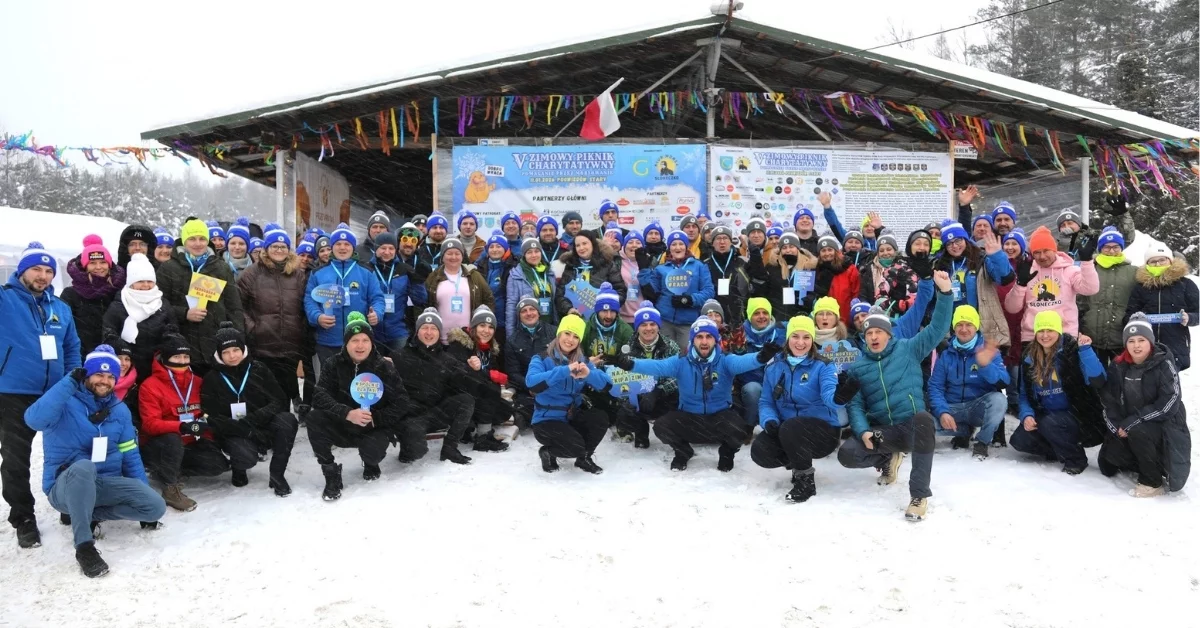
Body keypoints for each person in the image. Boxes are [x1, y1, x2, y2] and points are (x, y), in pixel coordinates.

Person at [24, 347, 166, 577]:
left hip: (104, 484)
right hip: (65, 485)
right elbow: (33, 420)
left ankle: (89, 512)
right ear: (86, 375)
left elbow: (130, 453)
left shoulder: (119, 410)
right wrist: (69, 381)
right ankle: (84, 547)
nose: (105, 381)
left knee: (155, 507)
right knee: (83, 467)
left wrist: (141, 491)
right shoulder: (64, 402)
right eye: (99, 374)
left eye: (111, 376)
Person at [836, 270, 954, 522]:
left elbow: (937, 328)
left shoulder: (909, 349)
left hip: (911, 427)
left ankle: (919, 495)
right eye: (869, 333)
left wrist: (944, 294)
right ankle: (888, 458)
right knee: (848, 454)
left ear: (889, 334)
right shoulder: (858, 367)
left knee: (923, 420)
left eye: (878, 332)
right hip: (884, 432)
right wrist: (863, 431)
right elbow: (855, 406)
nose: (874, 336)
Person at [613, 316, 777, 472]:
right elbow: (656, 366)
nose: (704, 341)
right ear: (693, 340)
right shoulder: (681, 362)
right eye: (699, 337)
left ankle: (726, 453)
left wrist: (761, 356)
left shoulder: (725, 360)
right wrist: (629, 364)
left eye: (708, 336)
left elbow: (745, 361)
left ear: (715, 339)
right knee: (662, 426)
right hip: (690, 418)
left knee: (739, 428)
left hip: (719, 418)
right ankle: (683, 451)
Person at [0, 242, 82, 549]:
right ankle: (23, 517)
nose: (43, 275)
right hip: (13, 392)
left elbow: (71, 347)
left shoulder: (60, 307)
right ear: (22, 270)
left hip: (55, 392)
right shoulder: (5, 299)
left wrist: (72, 380)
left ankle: (66, 502)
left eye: (49, 270)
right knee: (16, 458)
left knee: (65, 452)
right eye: (36, 268)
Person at [753, 315, 856, 502]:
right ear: (788, 338)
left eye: (806, 337)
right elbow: (766, 401)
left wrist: (841, 396)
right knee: (760, 450)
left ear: (812, 340)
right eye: (795, 336)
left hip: (822, 432)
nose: (800, 342)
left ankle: (805, 481)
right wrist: (769, 421)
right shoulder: (774, 365)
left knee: (792, 426)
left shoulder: (823, 365)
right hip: (789, 432)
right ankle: (796, 460)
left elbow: (829, 397)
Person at [307, 312, 408, 501]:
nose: (360, 346)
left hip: (373, 427)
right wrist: (346, 413)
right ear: (346, 343)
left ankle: (370, 462)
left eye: (365, 340)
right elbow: (319, 396)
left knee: (373, 452)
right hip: (343, 424)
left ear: (372, 343)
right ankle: (330, 472)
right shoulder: (333, 363)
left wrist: (376, 419)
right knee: (314, 418)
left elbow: (402, 402)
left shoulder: (383, 366)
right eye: (354, 340)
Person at [200, 323, 299, 496]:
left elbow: (278, 400)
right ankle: (239, 468)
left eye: (235, 350)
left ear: (243, 349)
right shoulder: (212, 378)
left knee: (287, 420)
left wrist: (254, 419)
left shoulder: (259, 369)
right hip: (234, 432)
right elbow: (211, 416)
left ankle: (277, 474)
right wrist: (239, 428)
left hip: (260, 424)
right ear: (218, 354)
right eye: (226, 352)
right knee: (245, 456)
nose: (232, 356)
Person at [1098, 313, 1190, 497]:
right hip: (1129, 423)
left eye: (1141, 340)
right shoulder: (1118, 366)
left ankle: (1152, 481)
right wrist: (1117, 428)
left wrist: (1133, 422)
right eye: (1131, 341)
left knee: (1140, 432)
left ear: (1150, 341)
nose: (1136, 345)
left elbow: (1169, 403)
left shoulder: (1164, 363)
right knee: (1107, 464)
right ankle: (1140, 460)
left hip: (1162, 424)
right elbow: (1109, 401)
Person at [138, 334, 229, 512]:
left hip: (191, 441)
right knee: (172, 439)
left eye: (186, 357)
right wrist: (179, 426)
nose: (182, 361)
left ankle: (173, 468)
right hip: (162, 443)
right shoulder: (150, 386)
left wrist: (206, 427)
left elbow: (206, 411)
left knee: (218, 465)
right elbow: (149, 424)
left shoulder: (198, 382)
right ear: (165, 359)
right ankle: (170, 487)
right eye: (176, 357)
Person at [1011, 310, 1106, 475]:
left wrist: (1086, 351)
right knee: (1020, 440)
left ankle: (1076, 459)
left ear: (1058, 331)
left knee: (1050, 423)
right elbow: (1024, 394)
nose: (1045, 335)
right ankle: (1059, 448)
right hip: (1046, 414)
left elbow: (1098, 379)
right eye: (1041, 330)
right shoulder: (1029, 358)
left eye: (1050, 330)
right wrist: (1026, 415)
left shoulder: (1072, 350)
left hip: (1078, 416)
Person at [237, 224, 313, 414]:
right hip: (262, 345)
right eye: (274, 246)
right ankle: (267, 430)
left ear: (288, 250)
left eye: (283, 247)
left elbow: (306, 305)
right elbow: (238, 305)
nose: (279, 250)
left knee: (286, 391)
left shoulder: (298, 275)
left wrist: (300, 328)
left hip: (290, 345)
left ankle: (284, 432)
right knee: (265, 392)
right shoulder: (251, 273)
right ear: (266, 249)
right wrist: (253, 327)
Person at [526, 314, 613, 474]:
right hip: (546, 421)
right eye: (567, 333)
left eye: (575, 336)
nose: (570, 340)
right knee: (575, 447)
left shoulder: (582, 361)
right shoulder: (541, 358)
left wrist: (589, 374)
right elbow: (532, 383)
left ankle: (584, 458)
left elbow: (607, 385)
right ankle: (548, 452)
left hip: (572, 416)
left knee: (600, 418)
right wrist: (565, 370)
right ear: (559, 334)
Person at [155, 218, 245, 374]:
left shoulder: (221, 267)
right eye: (192, 239)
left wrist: (237, 338)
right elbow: (159, 304)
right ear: (184, 241)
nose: (198, 243)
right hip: (183, 344)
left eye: (202, 238)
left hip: (216, 343)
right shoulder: (168, 269)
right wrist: (184, 313)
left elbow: (234, 306)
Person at [393, 308, 475, 464]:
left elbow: (463, 383)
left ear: (439, 333)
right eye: (424, 327)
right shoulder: (399, 356)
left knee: (466, 400)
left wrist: (471, 370)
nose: (429, 332)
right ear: (417, 331)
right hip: (412, 417)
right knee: (415, 453)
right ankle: (407, 447)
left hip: (436, 413)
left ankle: (450, 448)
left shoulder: (447, 359)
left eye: (433, 328)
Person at [927, 305, 1009, 459]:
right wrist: (942, 412)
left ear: (976, 326)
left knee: (999, 400)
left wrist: (985, 365)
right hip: (953, 409)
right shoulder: (946, 354)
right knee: (924, 424)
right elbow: (935, 387)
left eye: (969, 324)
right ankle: (963, 431)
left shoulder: (988, 350)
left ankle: (982, 442)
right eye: (959, 324)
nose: (964, 329)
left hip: (977, 408)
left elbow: (1004, 381)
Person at [1004, 226, 1099, 346]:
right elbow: (1012, 308)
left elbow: (1091, 289)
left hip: (1064, 335)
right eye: (1037, 252)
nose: (1042, 256)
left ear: (1054, 250)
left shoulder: (1069, 270)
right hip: (1032, 336)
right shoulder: (1027, 271)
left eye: (1046, 251)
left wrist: (1087, 261)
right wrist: (1020, 284)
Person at [304, 222, 385, 363]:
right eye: (338, 244)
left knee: (356, 381)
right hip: (328, 340)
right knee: (329, 383)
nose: (342, 248)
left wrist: (377, 313)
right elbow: (309, 300)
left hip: (358, 340)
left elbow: (377, 298)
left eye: (347, 244)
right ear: (332, 247)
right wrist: (317, 317)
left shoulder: (366, 272)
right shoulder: (317, 273)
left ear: (353, 247)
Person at [612, 301, 680, 449]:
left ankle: (671, 431)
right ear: (637, 328)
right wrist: (628, 398)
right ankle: (640, 430)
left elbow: (679, 375)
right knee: (625, 412)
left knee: (675, 402)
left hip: (663, 396)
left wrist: (659, 390)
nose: (648, 328)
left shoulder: (671, 346)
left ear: (658, 326)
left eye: (652, 324)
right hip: (638, 397)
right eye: (643, 324)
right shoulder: (627, 350)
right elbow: (619, 377)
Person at [934, 221, 1012, 349]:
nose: (954, 246)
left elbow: (1004, 278)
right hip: (955, 329)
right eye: (949, 244)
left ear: (965, 239)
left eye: (958, 240)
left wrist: (997, 256)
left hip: (983, 327)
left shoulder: (981, 259)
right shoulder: (941, 266)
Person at [446, 306, 513, 453]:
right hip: (457, 397)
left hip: (477, 395)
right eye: (482, 325)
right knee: (489, 388)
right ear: (474, 327)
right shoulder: (459, 344)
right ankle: (482, 437)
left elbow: (489, 373)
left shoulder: (490, 349)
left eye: (490, 327)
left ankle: (469, 426)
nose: (486, 330)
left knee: (505, 409)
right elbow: (456, 375)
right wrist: (486, 374)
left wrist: (488, 374)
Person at [635, 229, 714, 350]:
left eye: (681, 244)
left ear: (686, 246)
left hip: (688, 322)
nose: (678, 247)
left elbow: (708, 291)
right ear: (669, 248)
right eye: (674, 244)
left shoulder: (699, 266)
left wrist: (689, 300)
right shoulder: (661, 268)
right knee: (665, 355)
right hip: (665, 321)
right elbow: (652, 292)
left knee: (686, 355)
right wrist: (643, 269)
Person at [1124, 243, 1197, 372]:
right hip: (1145, 346)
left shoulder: (1186, 284)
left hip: (1175, 346)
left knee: (1169, 386)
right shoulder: (1141, 287)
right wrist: (1135, 319)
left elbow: (1198, 312)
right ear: (1147, 264)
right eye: (1153, 261)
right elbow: (1129, 313)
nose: (1158, 264)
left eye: (1162, 260)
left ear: (1170, 260)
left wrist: (1189, 318)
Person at [103, 254, 173, 385]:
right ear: (131, 283)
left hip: (157, 363)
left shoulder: (163, 303)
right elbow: (109, 333)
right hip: (128, 365)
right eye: (140, 281)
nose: (146, 285)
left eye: (150, 281)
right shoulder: (119, 305)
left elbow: (172, 329)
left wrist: (164, 347)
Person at [1079, 227, 1138, 365]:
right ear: (1100, 248)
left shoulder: (1134, 272)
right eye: (1106, 247)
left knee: (1121, 380)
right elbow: (1079, 301)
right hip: (1091, 336)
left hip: (1120, 336)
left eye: (1116, 247)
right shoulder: (1089, 269)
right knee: (1095, 379)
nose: (1111, 251)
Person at [727, 298, 786, 436]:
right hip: (752, 381)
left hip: (777, 381)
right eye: (756, 313)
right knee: (752, 389)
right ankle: (748, 426)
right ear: (749, 316)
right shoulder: (740, 334)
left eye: (765, 312)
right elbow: (735, 362)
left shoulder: (782, 332)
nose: (761, 316)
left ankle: (780, 425)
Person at [61, 235, 127, 359]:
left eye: (103, 262)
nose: (98, 267)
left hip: (117, 357)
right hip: (82, 357)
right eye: (92, 263)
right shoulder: (71, 294)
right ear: (85, 266)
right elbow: (65, 329)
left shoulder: (120, 291)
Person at [425, 237, 494, 344]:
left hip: (469, 339)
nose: (453, 257)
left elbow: (488, 299)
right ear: (442, 256)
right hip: (439, 339)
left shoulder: (474, 275)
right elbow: (424, 303)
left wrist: (482, 325)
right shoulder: (433, 277)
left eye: (457, 253)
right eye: (449, 253)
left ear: (462, 256)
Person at [503, 296, 557, 428]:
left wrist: (548, 384)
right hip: (528, 388)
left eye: (532, 309)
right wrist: (531, 386)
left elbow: (562, 362)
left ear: (538, 312)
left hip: (553, 384)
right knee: (524, 404)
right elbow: (513, 373)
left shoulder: (554, 333)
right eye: (524, 311)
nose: (528, 313)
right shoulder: (512, 341)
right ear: (519, 316)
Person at [368, 230, 425, 351]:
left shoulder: (403, 270)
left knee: (401, 367)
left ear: (396, 250)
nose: (387, 252)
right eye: (383, 248)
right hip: (373, 331)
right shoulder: (367, 269)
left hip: (398, 331)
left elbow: (420, 299)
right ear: (376, 249)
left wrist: (418, 281)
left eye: (391, 248)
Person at [555, 232, 625, 317]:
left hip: (602, 318)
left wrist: (606, 307)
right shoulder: (571, 266)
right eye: (578, 245)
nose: (581, 248)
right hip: (575, 317)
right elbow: (560, 294)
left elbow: (620, 291)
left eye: (585, 243)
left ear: (593, 244)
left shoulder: (607, 264)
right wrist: (568, 309)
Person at [755, 232, 818, 321]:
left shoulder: (808, 267)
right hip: (778, 319)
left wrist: (812, 298)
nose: (788, 250)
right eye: (784, 248)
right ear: (780, 251)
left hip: (802, 319)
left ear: (798, 248)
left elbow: (818, 290)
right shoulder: (772, 267)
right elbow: (765, 290)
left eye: (791, 246)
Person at [1055, 192, 1135, 260]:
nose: (1067, 227)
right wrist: (1063, 245)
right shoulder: (1053, 245)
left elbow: (1126, 239)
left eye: (1070, 223)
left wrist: (1124, 215)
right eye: (1062, 225)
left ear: (1079, 224)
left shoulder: (1094, 237)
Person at [703, 224, 751, 330]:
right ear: (712, 243)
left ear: (730, 241)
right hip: (713, 318)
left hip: (739, 318)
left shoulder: (742, 262)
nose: (722, 242)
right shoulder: (705, 265)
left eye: (725, 238)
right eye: (718, 238)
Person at [858, 231, 917, 316]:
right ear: (877, 253)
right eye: (881, 250)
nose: (885, 253)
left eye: (889, 249)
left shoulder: (906, 268)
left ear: (895, 250)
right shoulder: (868, 269)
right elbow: (863, 294)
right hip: (873, 313)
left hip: (902, 314)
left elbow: (913, 293)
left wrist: (899, 303)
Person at [506, 238, 557, 335]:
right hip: (527, 330)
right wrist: (510, 336)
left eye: (537, 251)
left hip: (550, 326)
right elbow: (511, 308)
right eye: (529, 252)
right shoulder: (516, 276)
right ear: (524, 255)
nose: (534, 255)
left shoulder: (549, 273)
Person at [813, 233, 860, 326]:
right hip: (823, 320)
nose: (827, 253)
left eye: (830, 250)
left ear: (836, 251)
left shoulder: (849, 268)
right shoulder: (815, 270)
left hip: (845, 318)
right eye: (823, 251)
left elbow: (856, 292)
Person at [476, 231, 512, 336]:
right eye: (491, 247)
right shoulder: (480, 267)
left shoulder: (511, 267)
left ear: (505, 249)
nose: (495, 250)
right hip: (483, 321)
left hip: (502, 322)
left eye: (498, 246)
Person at [616, 231, 645, 324]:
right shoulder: (616, 261)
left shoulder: (650, 262)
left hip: (643, 316)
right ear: (624, 246)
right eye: (630, 242)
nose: (634, 245)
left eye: (638, 242)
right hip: (621, 317)